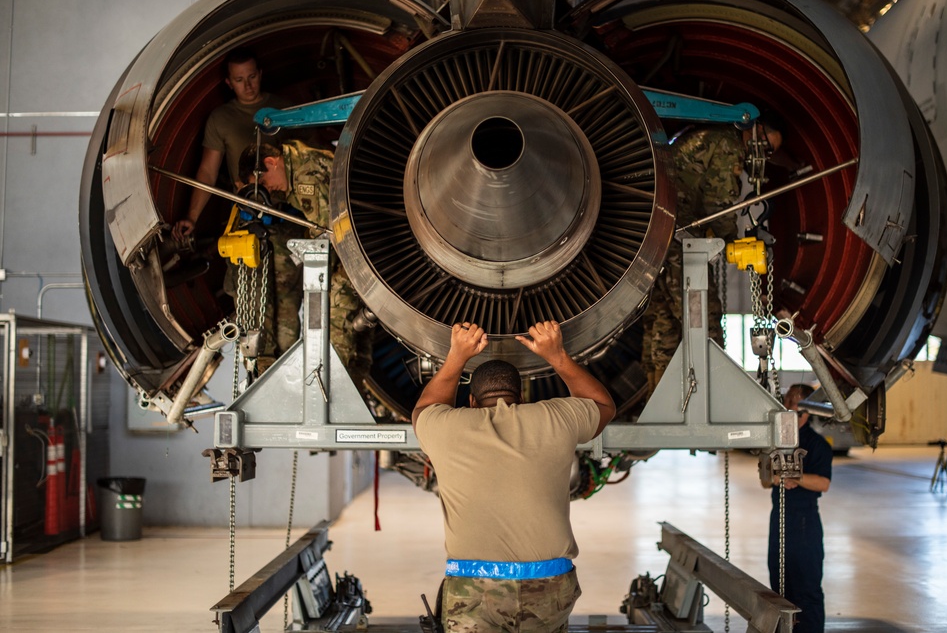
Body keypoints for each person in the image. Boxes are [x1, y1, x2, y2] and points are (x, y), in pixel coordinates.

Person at [412, 320, 617, 632]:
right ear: (521, 398)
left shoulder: (445, 428)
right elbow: (603, 405)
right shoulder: (555, 419)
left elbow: (424, 409)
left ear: (471, 402)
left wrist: (457, 356)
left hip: (474, 586)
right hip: (549, 584)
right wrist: (556, 355)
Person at [643, 117, 785, 394]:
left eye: (769, 152)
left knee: (663, 318)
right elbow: (717, 203)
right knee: (703, 314)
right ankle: (710, 395)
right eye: (766, 145)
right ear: (754, 131)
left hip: (656, 233)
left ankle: (656, 395)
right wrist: (731, 242)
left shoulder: (710, 136)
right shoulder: (728, 146)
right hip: (677, 232)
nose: (763, 154)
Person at [237, 141, 371, 383]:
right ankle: (352, 382)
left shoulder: (303, 175)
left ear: (270, 162)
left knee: (337, 306)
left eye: (265, 183)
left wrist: (315, 272)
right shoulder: (299, 164)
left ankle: (332, 388)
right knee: (357, 321)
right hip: (362, 249)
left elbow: (328, 238)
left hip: (359, 252)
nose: (270, 190)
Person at [172, 47, 292, 240]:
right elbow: (208, 172)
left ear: (260, 74)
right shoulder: (220, 119)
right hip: (246, 212)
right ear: (229, 83)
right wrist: (192, 217)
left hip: (289, 211)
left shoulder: (285, 110)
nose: (248, 86)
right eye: (239, 80)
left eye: (252, 76)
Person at [766, 383, 832, 633]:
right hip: (779, 520)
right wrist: (777, 477)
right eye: (789, 411)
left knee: (807, 588)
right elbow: (767, 478)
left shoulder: (818, 445)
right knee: (779, 587)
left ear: (807, 413)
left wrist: (795, 478)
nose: (792, 419)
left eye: (797, 413)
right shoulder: (778, 443)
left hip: (805, 524)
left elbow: (823, 483)